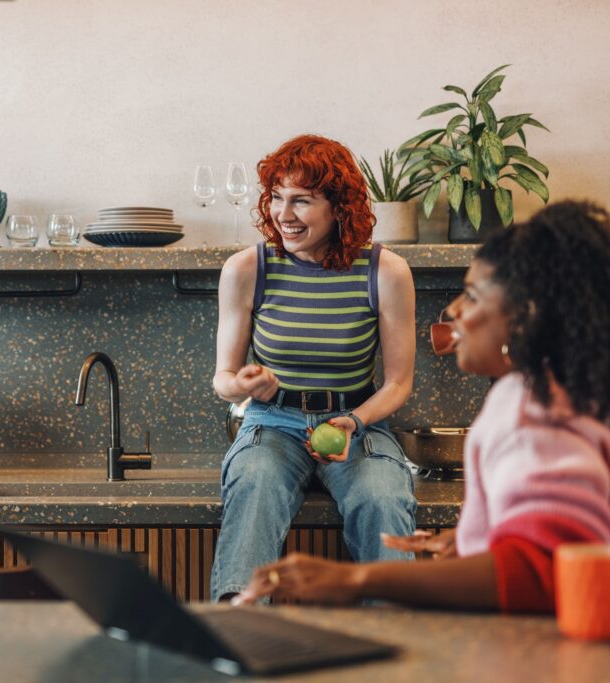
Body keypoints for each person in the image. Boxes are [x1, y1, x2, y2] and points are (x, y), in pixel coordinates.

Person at [235, 200, 610, 613]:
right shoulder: (569, 391)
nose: (452, 311)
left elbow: (541, 570)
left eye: (472, 296)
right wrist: (474, 542)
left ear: (525, 316)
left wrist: (356, 578)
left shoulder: (530, 413)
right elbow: (576, 535)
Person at [210, 134, 418, 603]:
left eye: (301, 200)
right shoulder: (248, 269)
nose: (284, 214)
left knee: (382, 499)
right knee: (255, 486)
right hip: (272, 424)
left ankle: (401, 648)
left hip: (358, 424)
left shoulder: (384, 272)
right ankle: (240, 634)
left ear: (338, 207)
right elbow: (223, 378)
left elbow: (398, 382)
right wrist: (242, 383)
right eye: (277, 198)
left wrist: (355, 421)